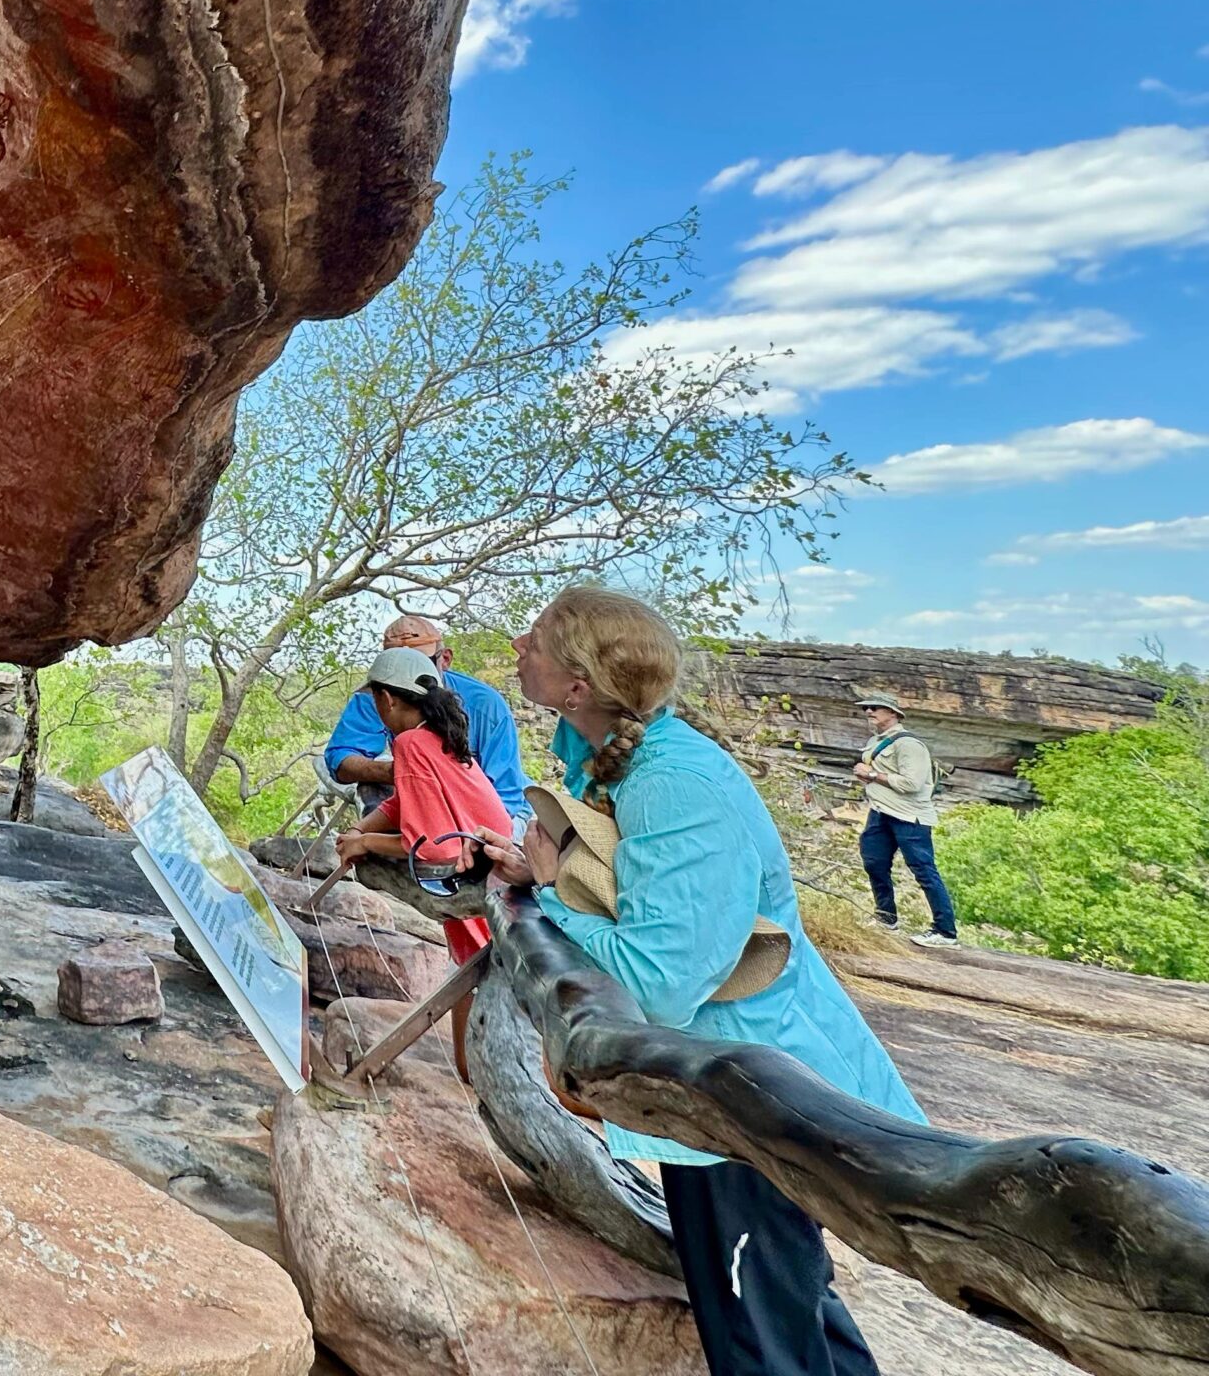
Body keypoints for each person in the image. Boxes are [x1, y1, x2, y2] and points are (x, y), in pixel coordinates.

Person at [474, 587, 924, 1376]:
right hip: (726, 1085)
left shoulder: (673, 785)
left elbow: (659, 981)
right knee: (789, 1310)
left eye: (535, 636)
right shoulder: (623, 758)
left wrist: (549, 894)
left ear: (578, 685)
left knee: (759, 1335)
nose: (518, 644)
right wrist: (548, 871)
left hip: (752, 1097)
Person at [333, 646, 513, 1077]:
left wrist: (366, 843)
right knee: (473, 970)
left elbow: (427, 846)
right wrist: (361, 830)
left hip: (472, 878)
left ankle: (472, 1073)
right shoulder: (436, 735)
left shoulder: (411, 743)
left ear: (386, 699)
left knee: (475, 975)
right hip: (494, 869)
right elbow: (404, 800)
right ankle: (471, 1070)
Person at [325, 613, 532, 829]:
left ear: (445, 659)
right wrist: (400, 773)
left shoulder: (486, 706)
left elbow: (504, 801)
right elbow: (340, 759)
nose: (404, 675)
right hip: (432, 808)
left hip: (492, 818)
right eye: (395, 666)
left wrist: (369, 841)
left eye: (420, 664)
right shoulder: (376, 700)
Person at [851, 690, 959, 948]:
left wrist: (872, 775)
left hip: (909, 818)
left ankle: (945, 932)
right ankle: (886, 918)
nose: (869, 711)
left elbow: (912, 783)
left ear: (893, 713)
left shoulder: (909, 744)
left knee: (924, 871)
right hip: (881, 812)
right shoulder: (876, 741)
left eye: (875, 707)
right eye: (866, 707)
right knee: (874, 862)